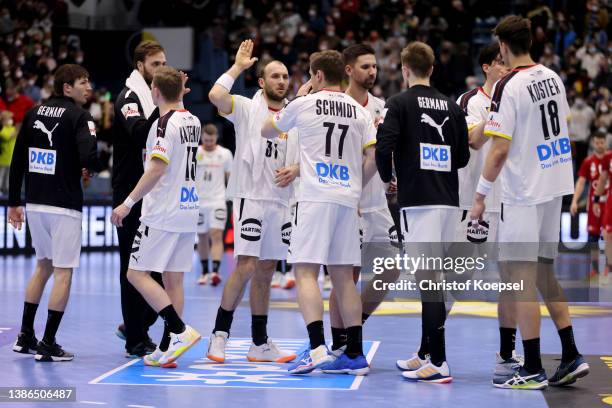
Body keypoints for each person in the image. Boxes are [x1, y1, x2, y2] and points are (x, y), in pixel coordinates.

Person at [470, 15, 589, 389]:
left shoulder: (509, 85)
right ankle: (570, 355)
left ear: (503, 47)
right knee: (543, 273)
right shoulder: (553, 77)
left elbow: (499, 149)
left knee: (521, 280)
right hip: (554, 184)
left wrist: (480, 196)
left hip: (523, 191)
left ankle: (533, 366)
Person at [262, 50, 379, 376]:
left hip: (314, 198)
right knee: (344, 278)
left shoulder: (303, 103)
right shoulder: (360, 111)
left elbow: (265, 130)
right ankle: (354, 354)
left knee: (305, 272)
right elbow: (373, 157)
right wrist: (356, 185)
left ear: (316, 76)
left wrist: (296, 100)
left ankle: (316, 349)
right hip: (347, 199)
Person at [376, 41, 470, 383]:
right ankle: (426, 352)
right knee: (430, 279)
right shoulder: (451, 105)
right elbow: (462, 158)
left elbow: (383, 147)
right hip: (448, 201)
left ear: (404, 70)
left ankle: (440, 362)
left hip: (419, 203)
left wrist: (389, 181)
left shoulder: (398, 103)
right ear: (431, 69)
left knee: (428, 282)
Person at [207, 39, 297, 363]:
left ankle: (259, 343)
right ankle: (219, 334)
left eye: (285, 76)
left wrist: (296, 168)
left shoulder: (292, 114)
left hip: (280, 199)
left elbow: (304, 155)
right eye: (275, 76)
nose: (281, 81)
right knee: (245, 266)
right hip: (250, 197)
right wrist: (237, 67)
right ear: (262, 82)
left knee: (267, 270)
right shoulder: (246, 108)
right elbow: (215, 96)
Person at [111, 66, 202, 368]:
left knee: (136, 274)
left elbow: (157, 168)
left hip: (163, 211)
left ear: (155, 93)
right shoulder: (193, 119)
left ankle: (178, 330)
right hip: (188, 210)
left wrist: (127, 202)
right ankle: (167, 347)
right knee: (173, 279)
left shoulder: (162, 125)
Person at [9, 64, 99, 362]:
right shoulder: (80, 116)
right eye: (83, 82)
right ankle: (48, 342)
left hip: (35, 203)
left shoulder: (34, 113)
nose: (89, 88)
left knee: (43, 266)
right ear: (67, 88)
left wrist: (13, 203)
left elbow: (18, 159)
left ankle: (25, 336)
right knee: (63, 273)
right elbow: (89, 157)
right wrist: (88, 165)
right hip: (64, 206)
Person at [454, 43, 526, 380]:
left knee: (511, 283)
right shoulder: (469, 102)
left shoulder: (516, 98)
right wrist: (496, 106)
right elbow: (474, 141)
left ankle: (507, 354)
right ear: (487, 67)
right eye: (500, 64)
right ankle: (429, 350)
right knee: (452, 281)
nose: (506, 69)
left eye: (507, 64)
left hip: (510, 201)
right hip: (474, 203)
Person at [325, 43, 399, 357]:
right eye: (365, 66)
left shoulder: (383, 106)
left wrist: (391, 176)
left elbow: (389, 149)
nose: (372, 71)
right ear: (348, 70)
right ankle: (340, 342)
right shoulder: (334, 105)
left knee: (392, 267)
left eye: (374, 66)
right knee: (347, 276)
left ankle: (358, 321)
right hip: (345, 202)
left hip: (377, 202)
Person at [112, 41, 167, 358]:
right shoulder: (129, 98)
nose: (161, 68)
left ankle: (135, 324)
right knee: (133, 268)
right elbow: (139, 132)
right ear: (140, 65)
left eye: (164, 63)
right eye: (156, 64)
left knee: (156, 270)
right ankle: (135, 338)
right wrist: (166, 108)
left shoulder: (150, 96)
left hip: (152, 194)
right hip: (129, 195)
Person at [195, 123, 233, 286]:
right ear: (202, 138)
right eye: (206, 140)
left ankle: (216, 271)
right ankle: (204, 271)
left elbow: (229, 177)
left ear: (216, 138)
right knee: (202, 236)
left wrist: (232, 198)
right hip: (199, 202)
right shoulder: (195, 153)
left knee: (216, 234)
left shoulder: (225, 154)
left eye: (211, 140)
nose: (209, 143)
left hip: (218, 200)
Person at [571, 132, 608, 280]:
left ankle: (608, 269)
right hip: (593, 205)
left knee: (609, 237)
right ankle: (595, 270)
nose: (599, 145)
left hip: (608, 205)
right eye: (597, 142)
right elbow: (581, 182)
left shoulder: (610, 159)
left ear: (606, 143)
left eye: (602, 142)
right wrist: (574, 200)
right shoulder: (588, 162)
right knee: (593, 238)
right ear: (593, 143)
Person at [0, 110, 17, 194]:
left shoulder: (12, 128)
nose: (11, 120)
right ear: (3, 120)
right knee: (1, 175)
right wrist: (16, 131)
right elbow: (7, 137)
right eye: (9, 119)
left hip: (11, 158)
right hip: (3, 158)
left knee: (8, 176)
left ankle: (7, 190)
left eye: (11, 118)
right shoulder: (2, 130)